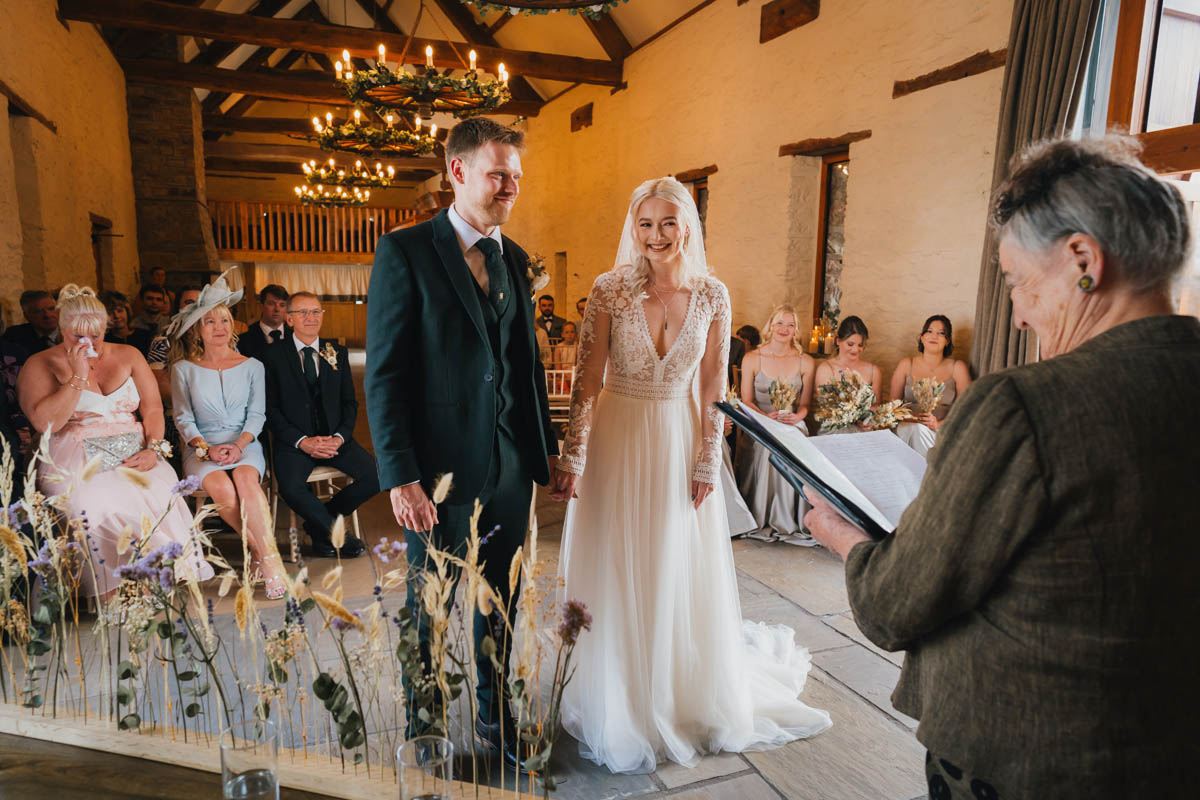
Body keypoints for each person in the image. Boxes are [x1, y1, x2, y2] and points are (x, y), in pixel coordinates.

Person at [804, 136, 1199, 798]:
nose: (1015, 311)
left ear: (1083, 259)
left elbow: (895, 603)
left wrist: (847, 538)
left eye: (1016, 279)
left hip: (1034, 754)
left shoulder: (1025, 405)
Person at [550, 177, 830, 774]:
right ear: (634, 227)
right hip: (617, 439)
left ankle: (674, 688)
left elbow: (712, 386)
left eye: (667, 223)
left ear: (687, 226)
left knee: (672, 558)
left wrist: (708, 456)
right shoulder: (606, 291)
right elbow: (588, 378)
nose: (655, 236)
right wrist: (573, 454)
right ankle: (620, 692)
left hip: (678, 439)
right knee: (618, 559)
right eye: (645, 223)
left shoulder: (712, 295)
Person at [365, 117, 557, 767]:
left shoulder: (515, 257)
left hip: (508, 466)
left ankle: (495, 715)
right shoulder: (406, 252)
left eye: (517, 177)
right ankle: (424, 721)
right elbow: (386, 374)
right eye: (499, 173)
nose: (510, 187)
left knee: (499, 600)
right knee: (431, 601)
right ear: (458, 171)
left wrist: (544, 450)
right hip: (437, 470)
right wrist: (400, 474)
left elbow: (523, 364)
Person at [17, 285, 212, 598]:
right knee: (95, 503)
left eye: (95, 334)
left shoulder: (129, 355)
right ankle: (112, 590)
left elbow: (152, 408)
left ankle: (148, 582)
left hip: (134, 451)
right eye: (77, 335)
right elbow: (45, 423)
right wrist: (77, 377)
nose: (88, 343)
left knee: (157, 492)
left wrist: (153, 449)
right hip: (72, 454)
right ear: (62, 329)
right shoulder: (40, 364)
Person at [169, 275, 286, 599]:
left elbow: (257, 415)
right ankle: (263, 554)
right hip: (201, 448)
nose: (219, 327)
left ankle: (268, 561)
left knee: (247, 483)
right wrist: (206, 448)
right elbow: (183, 418)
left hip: (245, 444)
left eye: (224, 319)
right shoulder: (183, 369)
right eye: (209, 321)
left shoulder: (252, 366)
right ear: (196, 329)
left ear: (232, 325)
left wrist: (238, 446)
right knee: (221, 487)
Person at [261, 292, 375, 559]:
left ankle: (318, 523)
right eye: (303, 313)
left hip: (335, 439)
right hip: (294, 443)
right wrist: (302, 441)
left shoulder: (335, 351)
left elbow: (350, 403)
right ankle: (335, 533)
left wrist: (339, 437)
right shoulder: (271, 356)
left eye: (316, 312)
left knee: (378, 476)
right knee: (290, 487)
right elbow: (270, 410)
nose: (311, 318)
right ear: (289, 319)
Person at [736, 305, 817, 545]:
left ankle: (791, 517)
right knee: (769, 442)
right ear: (770, 326)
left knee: (793, 438)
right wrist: (764, 417)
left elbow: (805, 405)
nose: (784, 329)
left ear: (796, 331)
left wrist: (798, 417)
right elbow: (746, 401)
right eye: (780, 323)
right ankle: (762, 514)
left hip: (792, 422)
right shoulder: (753, 358)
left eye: (790, 325)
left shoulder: (806, 361)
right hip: (760, 421)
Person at [888, 315, 971, 457]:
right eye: (930, 331)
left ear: (947, 340)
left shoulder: (958, 368)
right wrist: (910, 418)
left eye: (941, 333)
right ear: (921, 337)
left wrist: (938, 424)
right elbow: (892, 406)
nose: (935, 336)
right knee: (916, 430)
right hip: (908, 427)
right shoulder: (906, 365)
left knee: (923, 432)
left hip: (943, 430)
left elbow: (967, 409)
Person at [813, 316, 882, 434]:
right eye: (850, 344)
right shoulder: (826, 369)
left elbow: (876, 404)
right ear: (838, 340)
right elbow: (827, 406)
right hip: (835, 427)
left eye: (860, 345)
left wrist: (868, 418)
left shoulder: (873, 370)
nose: (855, 349)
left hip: (864, 428)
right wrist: (852, 416)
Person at [238, 284, 291, 361]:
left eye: (282, 305)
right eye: (271, 304)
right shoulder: (243, 341)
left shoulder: (296, 337)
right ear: (261, 306)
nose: (277, 309)